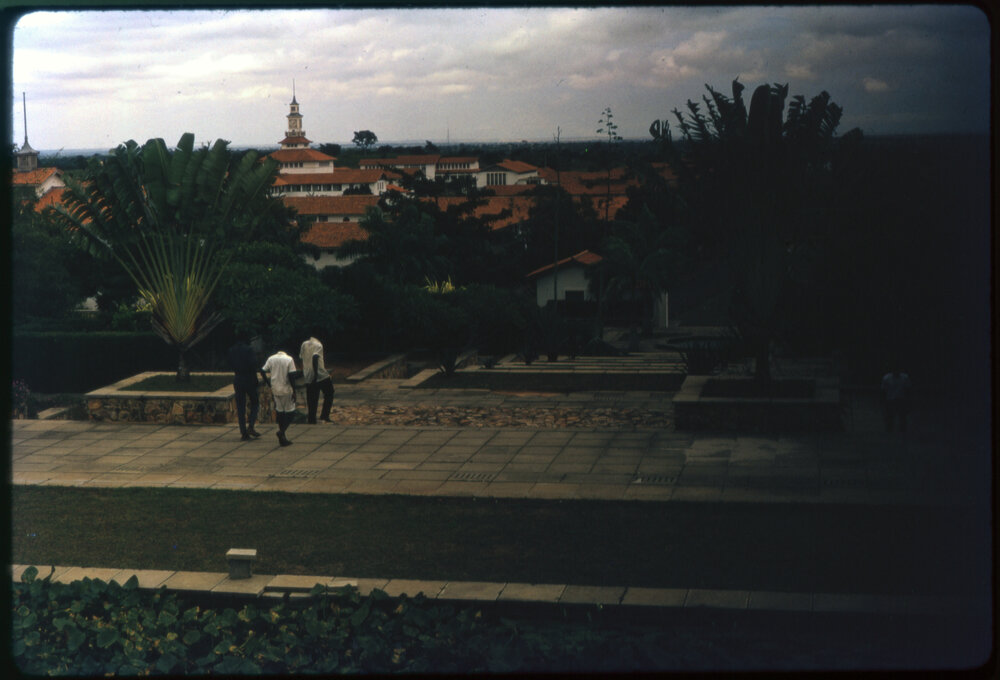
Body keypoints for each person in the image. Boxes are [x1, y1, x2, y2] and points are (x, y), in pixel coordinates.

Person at [261, 348, 299, 446]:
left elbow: (262, 370)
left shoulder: (271, 358)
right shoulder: (289, 359)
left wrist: (268, 383)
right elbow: (291, 376)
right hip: (286, 389)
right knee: (291, 412)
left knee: (280, 412)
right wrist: (294, 391)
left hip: (275, 389)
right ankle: (282, 431)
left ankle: (283, 438)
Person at [227, 337, 261, 441]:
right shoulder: (249, 350)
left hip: (238, 378)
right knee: (255, 403)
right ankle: (250, 426)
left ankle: (243, 432)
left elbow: (230, 363)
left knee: (240, 406)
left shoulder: (232, 350)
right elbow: (253, 364)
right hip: (249, 378)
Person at [299, 334, 334, 424]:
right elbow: (315, 357)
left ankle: (311, 419)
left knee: (311, 398)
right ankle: (325, 415)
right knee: (329, 392)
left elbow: (301, 357)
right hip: (320, 374)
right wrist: (316, 374)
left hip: (308, 375)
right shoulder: (319, 345)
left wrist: (306, 370)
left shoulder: (304, 344)